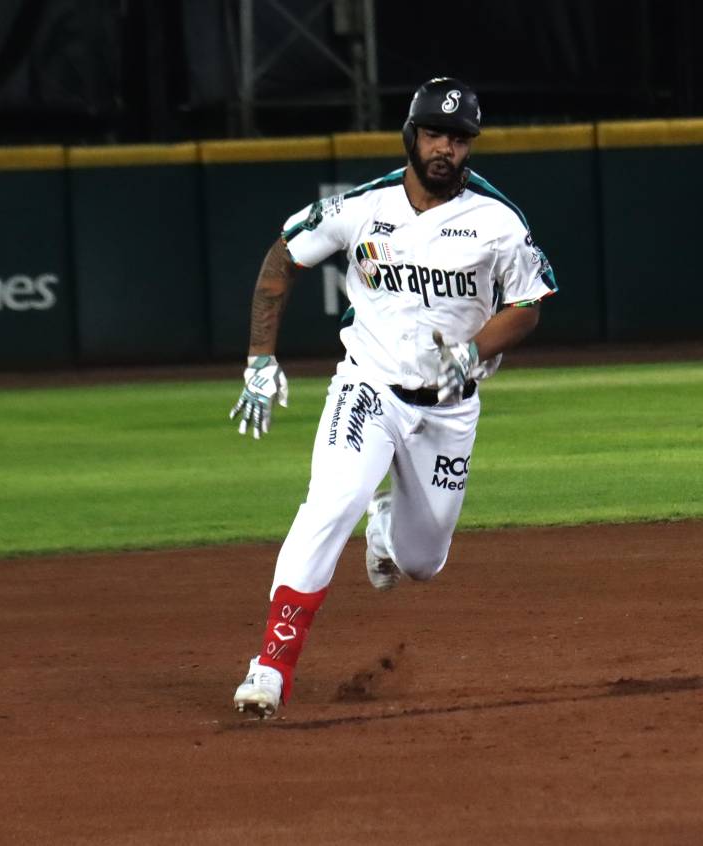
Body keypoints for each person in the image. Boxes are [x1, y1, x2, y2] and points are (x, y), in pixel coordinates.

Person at [229, 77, 556, 717]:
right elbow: (282, 258)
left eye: (459, 140)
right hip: (369, 387)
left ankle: (385, 528)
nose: (446, 149)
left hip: (450, 408)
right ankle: (270, 667)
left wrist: (473, 351)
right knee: (331, 502)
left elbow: (530, 302)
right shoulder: (362, 207)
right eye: (435, 133)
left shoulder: (498, 220)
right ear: (412, 135)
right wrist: (259, 358)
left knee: (423, 560)